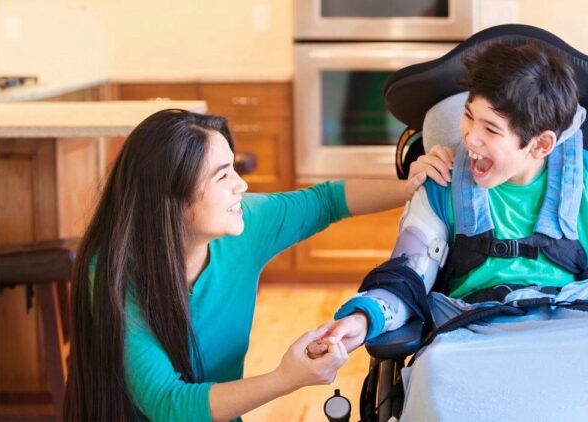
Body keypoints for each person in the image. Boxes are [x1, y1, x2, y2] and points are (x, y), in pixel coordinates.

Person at [308, 41, 588, 361]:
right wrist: (364, 317)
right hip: (474, 338)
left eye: (491, 129)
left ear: (541, 144)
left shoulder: (585, 175)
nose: (470, 138)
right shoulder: (445, 181)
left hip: (579, 334)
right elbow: (407, 273)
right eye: (468, 117)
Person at [62, 109, 419, 421]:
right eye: (223, 176)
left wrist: (415, 188)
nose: (241, 184)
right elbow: (167, 405)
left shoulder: (245, 224)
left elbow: (328, 201)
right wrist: (286, 378)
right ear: (172, 198)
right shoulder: (115, 273)